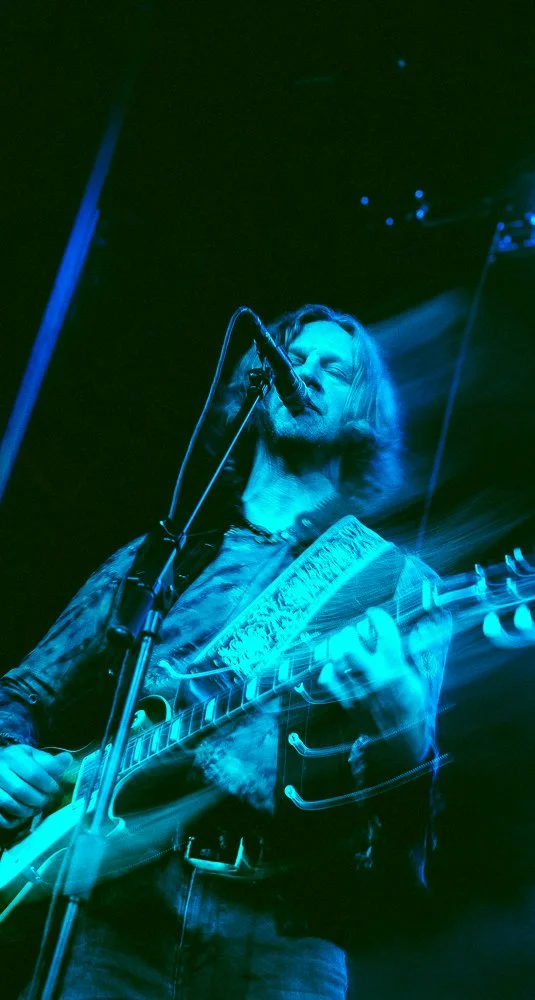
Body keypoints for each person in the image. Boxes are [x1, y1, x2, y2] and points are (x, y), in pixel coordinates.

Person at [0, 304, 450, 999]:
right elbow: (24, 692)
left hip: (282, 932)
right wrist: (7, 758)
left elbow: (405, 810)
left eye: (335, 369)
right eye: (292, 358)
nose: (305, 372)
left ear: (363, 417)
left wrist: (401, 718)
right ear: (255, 387)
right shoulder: (158, 562)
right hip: (114, 908)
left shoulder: (393, 583)